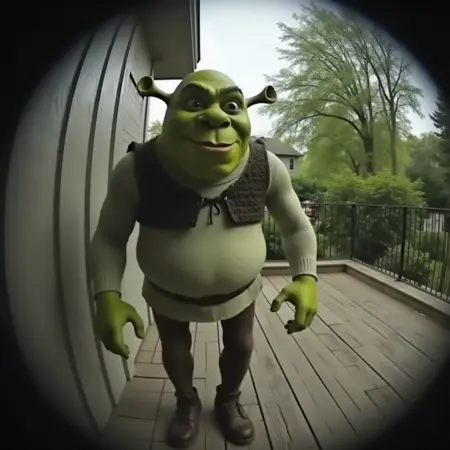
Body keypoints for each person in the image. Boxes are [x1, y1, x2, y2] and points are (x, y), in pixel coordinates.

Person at [91, 69, 318, 449]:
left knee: (241, 345)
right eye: (195, 103)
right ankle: (186, 402)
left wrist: (306, 277)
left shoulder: (267, 165)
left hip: (241, 292)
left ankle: (229, 400)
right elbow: (109, 238)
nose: (216, 118)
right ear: (169, 111)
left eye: (232, 105)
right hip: (167, 293)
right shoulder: (136, 169)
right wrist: (107, 296)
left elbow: (297, 227)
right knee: (174, 348)